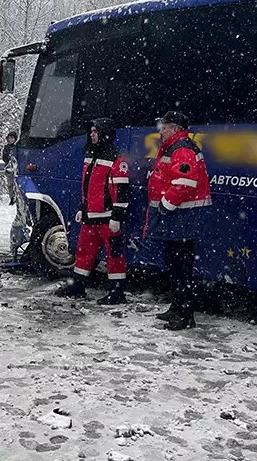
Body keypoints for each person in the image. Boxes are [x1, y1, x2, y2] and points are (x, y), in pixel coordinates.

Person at [145, 110, 212, 330]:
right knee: (175, 266)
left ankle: (185, 315)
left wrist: (166, 204)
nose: (161, 130)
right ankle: (177, 308)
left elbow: (184, 182)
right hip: (178, 217)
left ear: (175, 128)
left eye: (164, 126)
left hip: (181, 217)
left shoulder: (182, 149)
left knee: (181, 267)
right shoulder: (175, 147)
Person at [59, 119, 130, 304]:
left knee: (114, 256)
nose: (91, 134)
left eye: (95, 131)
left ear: (104, 133)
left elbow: (122, 191)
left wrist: (117, 216)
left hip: (108, 219)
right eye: (91, 131)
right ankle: (77, 286)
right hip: (91, 217)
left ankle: (117, 293)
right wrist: (83, 207)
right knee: (83, 252)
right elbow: (88, 187)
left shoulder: (117, 158)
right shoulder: (90, 155)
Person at [0, 131, 19, 205]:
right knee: (10, 184)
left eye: (12, 138)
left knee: (16, 184)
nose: (10, 140)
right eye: (9, 138)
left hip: (16, 169)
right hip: (9, 169)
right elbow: (4, 157)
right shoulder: (6, 148)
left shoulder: (17, 147)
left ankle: (17, 198)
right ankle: (12, 198)